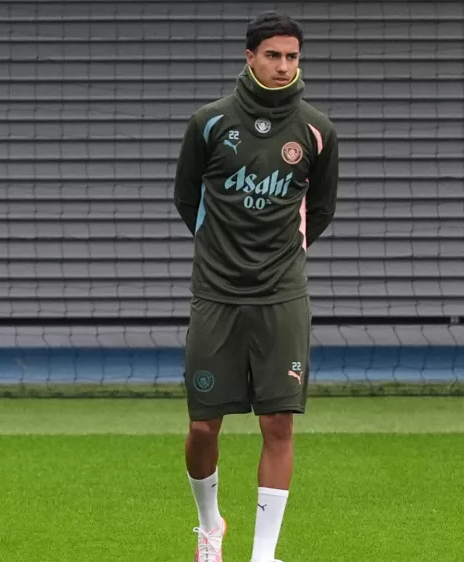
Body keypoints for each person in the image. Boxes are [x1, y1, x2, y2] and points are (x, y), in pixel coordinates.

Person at [172, 10, 339, 562]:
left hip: (282, 295)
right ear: (250, 57)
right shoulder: (209, 123)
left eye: (292, 57)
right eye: (273, 55)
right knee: (202, 427)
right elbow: (186, 198)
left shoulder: (317, 130)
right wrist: (225, 252)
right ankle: (209, 526)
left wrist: (278, 258)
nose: (283, 66)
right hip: (216, 294)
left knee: (278, 423)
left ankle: (263, 555)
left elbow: (320, 210)